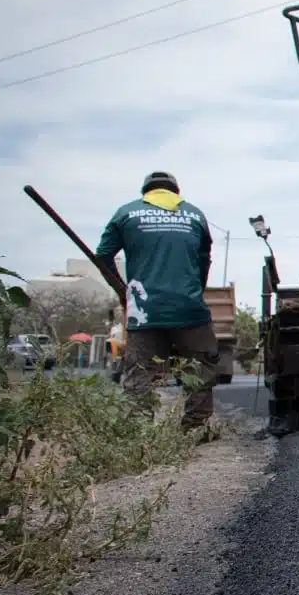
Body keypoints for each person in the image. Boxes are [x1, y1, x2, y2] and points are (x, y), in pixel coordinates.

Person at [94, 171, 217, 429]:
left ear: (146, 192)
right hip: (189, 308)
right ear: (176, 191)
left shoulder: (126, 214)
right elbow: (204, 260)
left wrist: (122, 290)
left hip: (144, 311)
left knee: (140, 373)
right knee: (200, 368)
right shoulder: (195, 215)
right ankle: (195, 428)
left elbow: (103, 255)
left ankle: (138, 432)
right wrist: (195, 290)